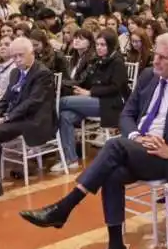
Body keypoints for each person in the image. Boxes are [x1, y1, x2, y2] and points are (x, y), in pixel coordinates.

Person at [19, 33, 168, 249]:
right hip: (138, 149)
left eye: (163, 58)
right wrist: (135, 136)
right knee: (112, 174)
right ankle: (116, 248)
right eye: (155, 55)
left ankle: (64, 208)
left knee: (113, 146)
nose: (155, 61)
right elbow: (127, 114)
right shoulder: (148, 77)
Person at [0, 38, 57, 202]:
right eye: (14, 56)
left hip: (34, 120)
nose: (16, 60)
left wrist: (5, 118)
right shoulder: (16, 72)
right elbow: (6, 99)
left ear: (32, 53)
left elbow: (32, 103)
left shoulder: (43, 74)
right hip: (16, 117)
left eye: (20, 56)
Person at [53, 30, 130, 173]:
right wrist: (73, 86)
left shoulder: (117, 61)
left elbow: (116, 87)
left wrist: (90, 92)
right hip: (93, 100)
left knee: (62, 102)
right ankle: (71, 160)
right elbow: (86, 80)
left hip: (110, 103)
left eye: (103, 45)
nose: (99, 47)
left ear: (111, 45)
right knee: (65, 116)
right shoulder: (97, 60)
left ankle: (44, 127)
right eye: (98, 44)